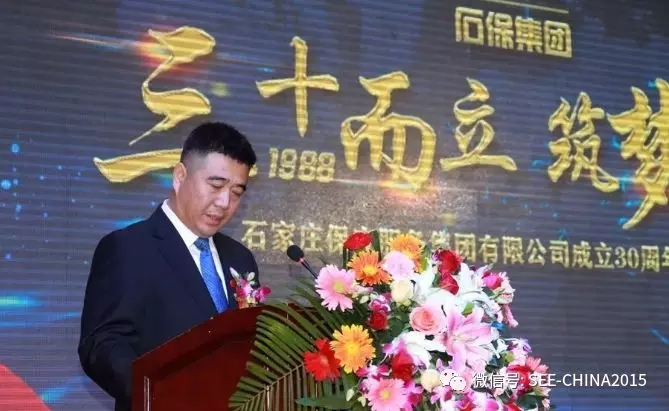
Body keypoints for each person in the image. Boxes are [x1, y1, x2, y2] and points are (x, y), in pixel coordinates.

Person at [78, 122, 260, 411]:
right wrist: (160, 392)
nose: (225, 202)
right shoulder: (129, 247)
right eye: (215, 185)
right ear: (179, 176)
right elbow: (102, 345)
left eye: (237, 192)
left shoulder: (240, 259)